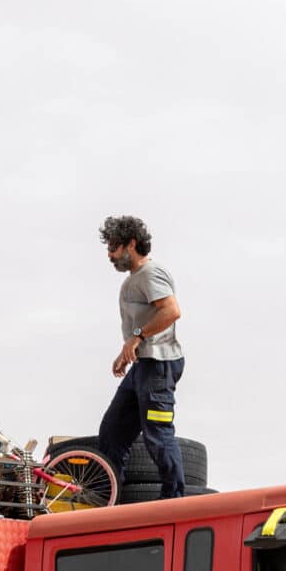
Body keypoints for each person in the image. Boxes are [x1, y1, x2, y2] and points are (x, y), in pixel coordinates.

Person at [97, 214, 186, 500]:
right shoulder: (133, 280)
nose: (110, 255)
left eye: (113, 247)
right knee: (112, 432)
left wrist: (137, 337)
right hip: (143, 365)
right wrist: (128, 350)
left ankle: (174, 500)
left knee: (157, 435)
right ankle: (113, 499)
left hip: (159, 366)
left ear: (131, 244)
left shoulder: (151, 273)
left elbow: (171, 311)